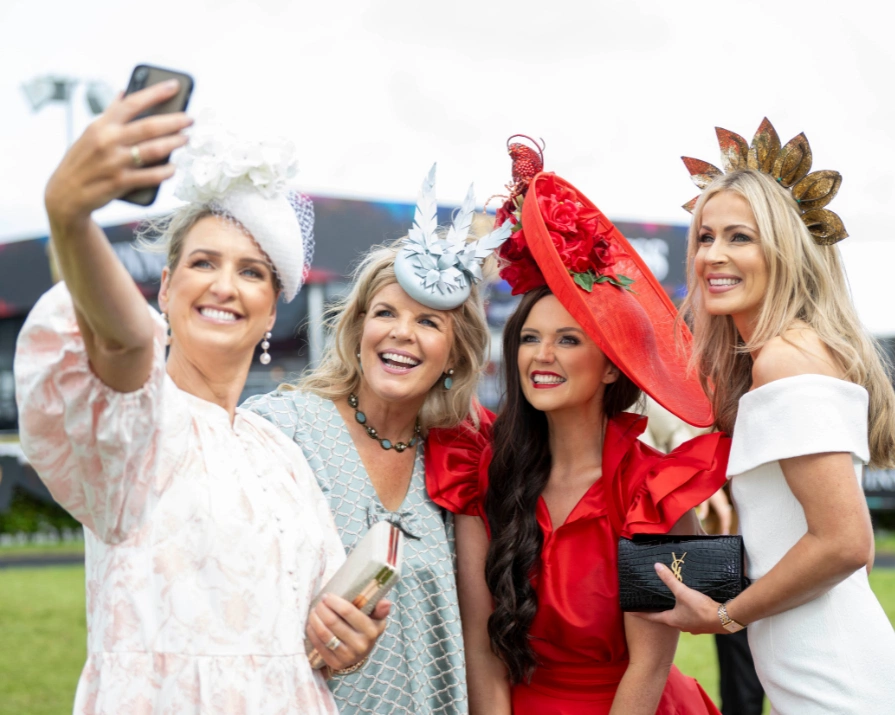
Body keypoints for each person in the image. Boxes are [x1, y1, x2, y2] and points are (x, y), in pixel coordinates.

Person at [14, 81, 386, 714]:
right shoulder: (141, 418)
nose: (224, 286)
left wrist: (345, 638)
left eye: (250, 271)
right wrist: (69, 219)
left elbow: (319, 628)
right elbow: (126, 344)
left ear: (274, 305)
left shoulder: (281, 455)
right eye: (202, 263)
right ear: (163, 287)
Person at [426, 143, 731, 714]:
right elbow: (480, 643)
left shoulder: (651, 490)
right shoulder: (480, 469)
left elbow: (649, 663)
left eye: (569, 339)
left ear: (612, 363)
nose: (542, 355)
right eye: (530, 338)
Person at [639, 118, 895, 713]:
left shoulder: (785, 357)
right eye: (704, 238)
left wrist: (725, 616)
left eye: (739, 237)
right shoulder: (782, 353)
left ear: (782, 249)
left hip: (836, 682)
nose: (713, 256)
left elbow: (845, 542)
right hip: (826, 672)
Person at [244, 166, 511, 714]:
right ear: (359, 329)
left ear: (455, 355)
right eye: (385, 312)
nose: (401, 333)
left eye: (429, 322)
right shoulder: (282, 429)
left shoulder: (455, 458)